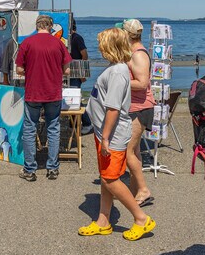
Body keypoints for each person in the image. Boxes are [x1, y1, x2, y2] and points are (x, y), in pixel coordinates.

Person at [78, 28, 155, 241]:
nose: (99, 49)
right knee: (106, 177)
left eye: (102, 44)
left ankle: (141, 218)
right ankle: (103, 221)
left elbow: (113, 108)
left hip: (111, 134)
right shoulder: (116, 69)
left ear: (110, 47)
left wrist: (105, 137)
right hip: (103, 131)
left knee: (111, 179)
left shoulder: (118, 72)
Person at [16, 15, 72, 181]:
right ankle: (52, 168)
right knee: (53, 128)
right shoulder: (58, 44)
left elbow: (19, 69)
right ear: (50, 27)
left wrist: (31, 70)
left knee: (29, 128)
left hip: (33, 91)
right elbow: (67, 70)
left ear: (37, 26)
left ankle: (30, 169)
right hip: (53, 92)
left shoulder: (27, 43)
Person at [120, 19, 156, 207]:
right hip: (134, 107)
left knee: (127, 152)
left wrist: (119, 82)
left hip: (141, 108)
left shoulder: (139, 54)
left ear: (128, 34)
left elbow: (142, 83)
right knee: (134, 150)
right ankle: (136, 190)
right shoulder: (132, 53)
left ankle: (143, 190)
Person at [69, 19, 93, 135]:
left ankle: (87, 123)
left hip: (75, 71)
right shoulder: (65, 38)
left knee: (76, 99)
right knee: (69, 99)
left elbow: (84, 54)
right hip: (67, 71)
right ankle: (73, 124)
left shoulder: (76, 38)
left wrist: (82, 73)